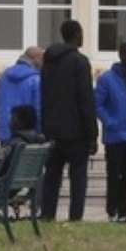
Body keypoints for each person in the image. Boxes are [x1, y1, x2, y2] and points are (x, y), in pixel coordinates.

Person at [38, 20, 99, 223]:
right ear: (76, 35)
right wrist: (92, 134)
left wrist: (46, 125)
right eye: (81, 34)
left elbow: (44, 94)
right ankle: (75, 216)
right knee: (78, 176)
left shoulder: (49, 61)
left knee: (52, 175)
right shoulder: (79, 62)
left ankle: (47, 213)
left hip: (53, 129)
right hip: (76, 131)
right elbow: (86, 99)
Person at [96, 41, 126, 224]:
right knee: (114, 173)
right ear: (121, 55)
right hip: (115, 135)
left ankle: (125, 211)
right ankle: (112, 210)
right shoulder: (107, 79)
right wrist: (110, 122)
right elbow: (98, 104)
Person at [0, 47, 43, 143]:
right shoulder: (36, 80)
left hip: (5, 133)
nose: (43, 63)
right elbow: (39, 109)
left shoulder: (4, 76)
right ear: (35, 58)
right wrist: (40, 133)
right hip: (28, 136)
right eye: (42, 59)